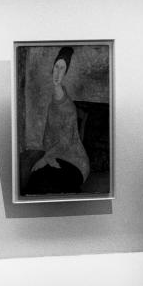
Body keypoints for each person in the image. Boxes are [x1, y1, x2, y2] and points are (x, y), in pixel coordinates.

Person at [24, 46, 90, 195]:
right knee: (35, 180)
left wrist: (46, 159)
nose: (58, 72)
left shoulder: (68, 107)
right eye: (56, 67)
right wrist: (48, 156)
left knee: (43, 183)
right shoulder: (54, 102)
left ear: (66, 73)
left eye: (62, 68)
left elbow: (66, 142)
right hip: (58, 156)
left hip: (76, 161)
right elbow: (50, 137)